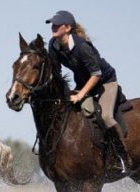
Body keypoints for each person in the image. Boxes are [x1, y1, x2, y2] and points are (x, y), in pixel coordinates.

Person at [46, 10, 132, 173]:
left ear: (68, 27)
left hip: (105, 82)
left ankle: (123, 158)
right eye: (52, 24)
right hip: (84, 83)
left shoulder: (82, 46)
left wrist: (80, 94)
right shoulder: (53, 45)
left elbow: (96, 74)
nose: (53, 27)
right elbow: (56, 72)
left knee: (106, 116)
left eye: (57, 24)